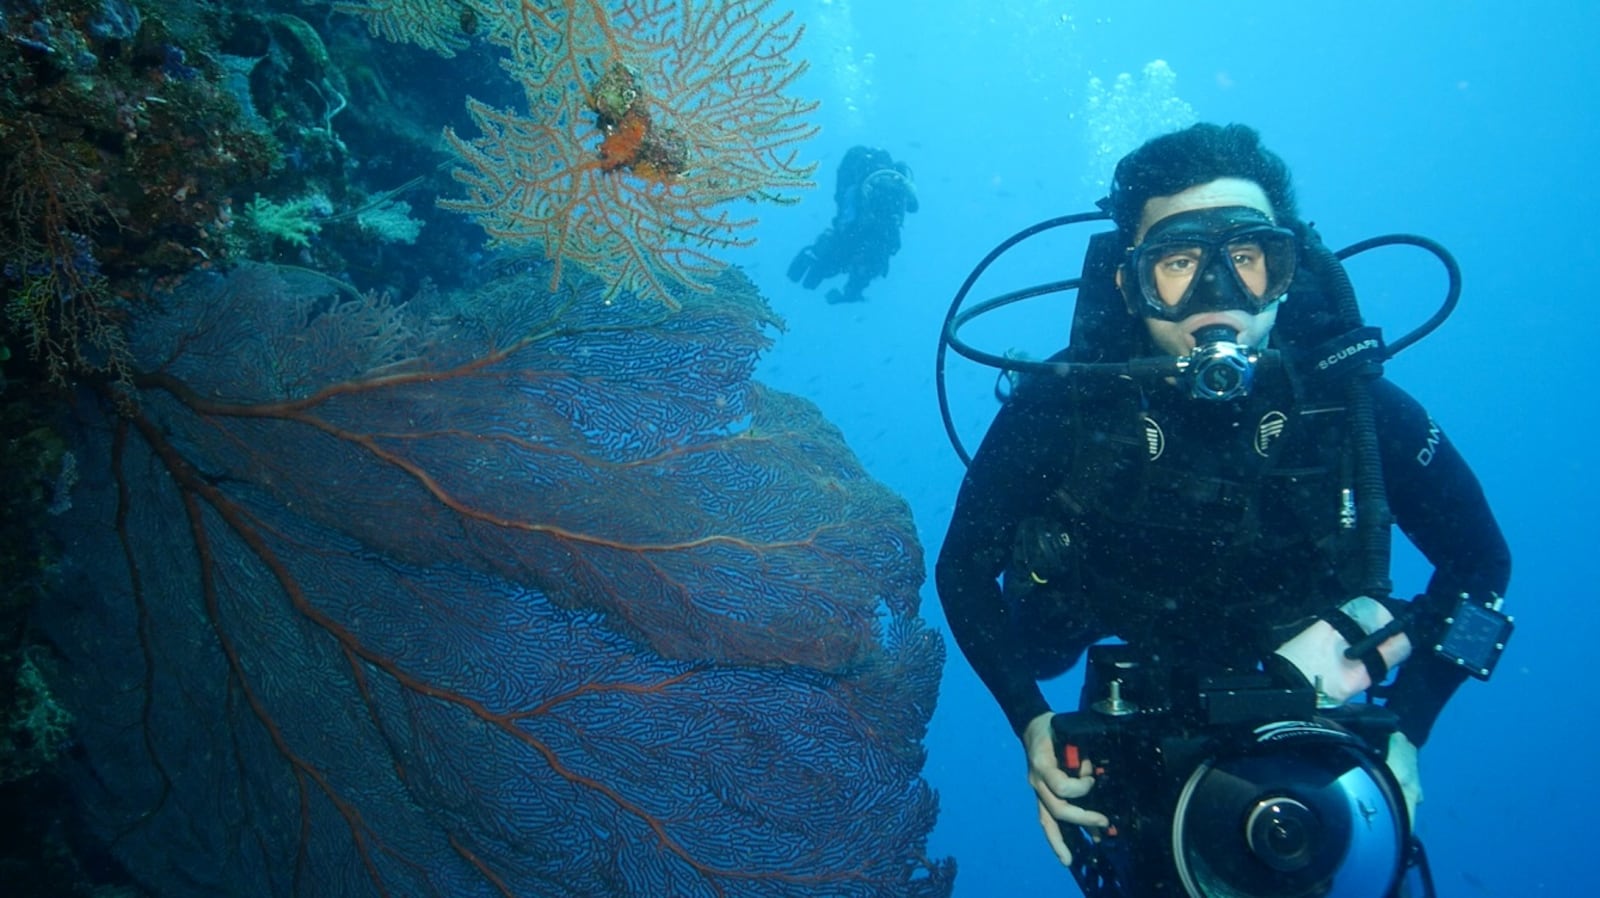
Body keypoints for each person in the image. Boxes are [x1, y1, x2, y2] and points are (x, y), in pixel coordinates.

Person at [934, 123, 1511, 878]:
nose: (1219, 293)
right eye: (1179, 261)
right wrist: (1030, 721)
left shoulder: (1354, 408)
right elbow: (964, 569)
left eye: (1245, 258)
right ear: (1130, 282)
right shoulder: (1063, 407)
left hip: (1317, 751)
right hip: (1146, 737)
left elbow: (1483, 566)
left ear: (1285, 270)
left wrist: (1409, 727)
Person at [788, 145, 919, 303]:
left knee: (821, 270)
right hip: (855, 231)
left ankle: (811, 259)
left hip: (856, 231)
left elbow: (859, 275)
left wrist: (847, 296)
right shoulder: (861, 241)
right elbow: (843, 228)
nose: (858, 269)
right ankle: (811, 258)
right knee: (823, 267)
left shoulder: (874, 247)